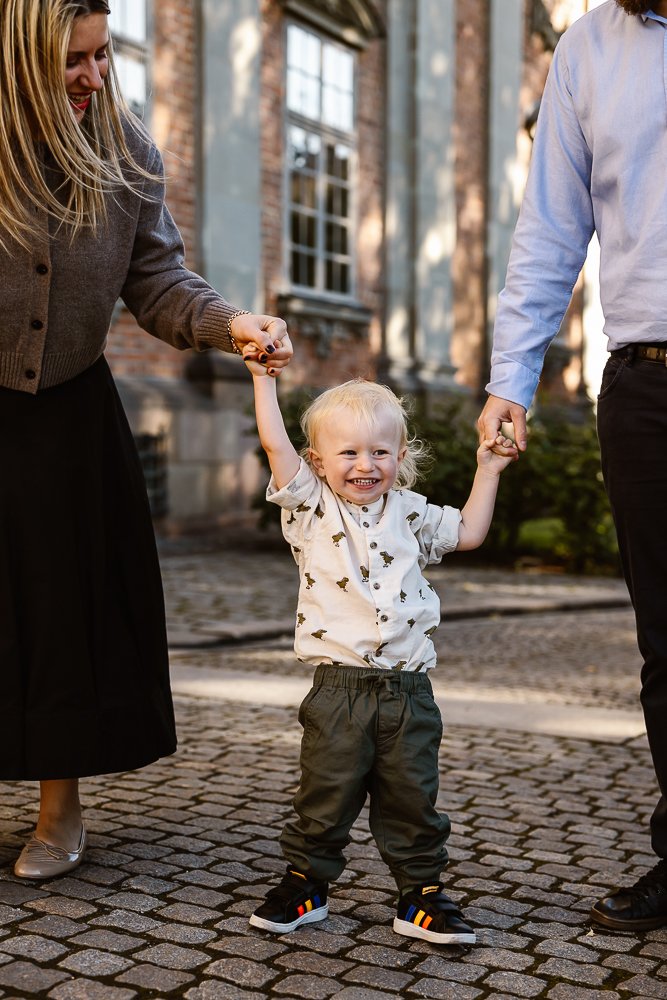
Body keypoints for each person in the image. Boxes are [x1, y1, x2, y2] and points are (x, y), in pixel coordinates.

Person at [0, 0, 292, 881]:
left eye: (101, 55)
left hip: (68, 416)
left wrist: (231, 321)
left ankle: (60, 811)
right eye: (71, 62)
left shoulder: (126, 152)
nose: (93, 77)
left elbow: (157, 278)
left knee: (62, 611)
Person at [477, 0, 667, 932]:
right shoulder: (591, 45)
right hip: (648, 384)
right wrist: (510, 378)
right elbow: (549, 227)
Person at [244, 365, 516, 944]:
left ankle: (420, 897)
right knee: (324, 796)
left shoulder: (410, 511)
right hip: (339, 691)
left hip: (409, 691)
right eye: (348, 452)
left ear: (400, 455)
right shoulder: (310, 507)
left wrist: (487, 468)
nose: (365, 465)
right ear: (317, 461)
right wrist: (263, 380)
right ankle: (305, 886)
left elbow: (467, 532)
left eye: (380, 452)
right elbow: (274, 442)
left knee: (414, 799)